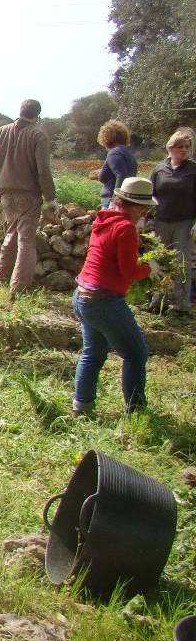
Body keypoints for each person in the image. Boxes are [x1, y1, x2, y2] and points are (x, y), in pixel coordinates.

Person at [72, 177, 158, 417]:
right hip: (104, 301)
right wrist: (151, 268)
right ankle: (137, 410)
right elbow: (129, 272)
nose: (144, 213)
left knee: (93, 353)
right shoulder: (126, 228)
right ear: (131, 204)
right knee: (136, 353)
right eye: (142, 208)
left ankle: (82, 406)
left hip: (82, 297)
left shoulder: (104, 220)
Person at [0, 99, 59, 299]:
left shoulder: (0, 133)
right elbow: (43, 170)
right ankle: (18, 289)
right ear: (37, 116)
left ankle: (1, 280)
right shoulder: (38, 135)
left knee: (10, 235)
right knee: (26, 239)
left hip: (6, 194)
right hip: (29, 195)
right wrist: (51, 198)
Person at [147, 129, 196, 315]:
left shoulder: (193, 170)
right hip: (162, 221)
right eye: (180, 146)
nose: (184, 150)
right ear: (170, 147)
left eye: (187, 147)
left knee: (181, 263)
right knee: (159, 261)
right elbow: (150, 195)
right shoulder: (160, 169)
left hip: (184, 223)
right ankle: (158, 300)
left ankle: (181, 305)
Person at [96, 119, 138, 210]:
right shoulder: (129, 154)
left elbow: (121, 175)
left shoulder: (114, 153)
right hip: (128, 201)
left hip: (111, 202)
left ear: (106, 137)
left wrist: (115, 201)